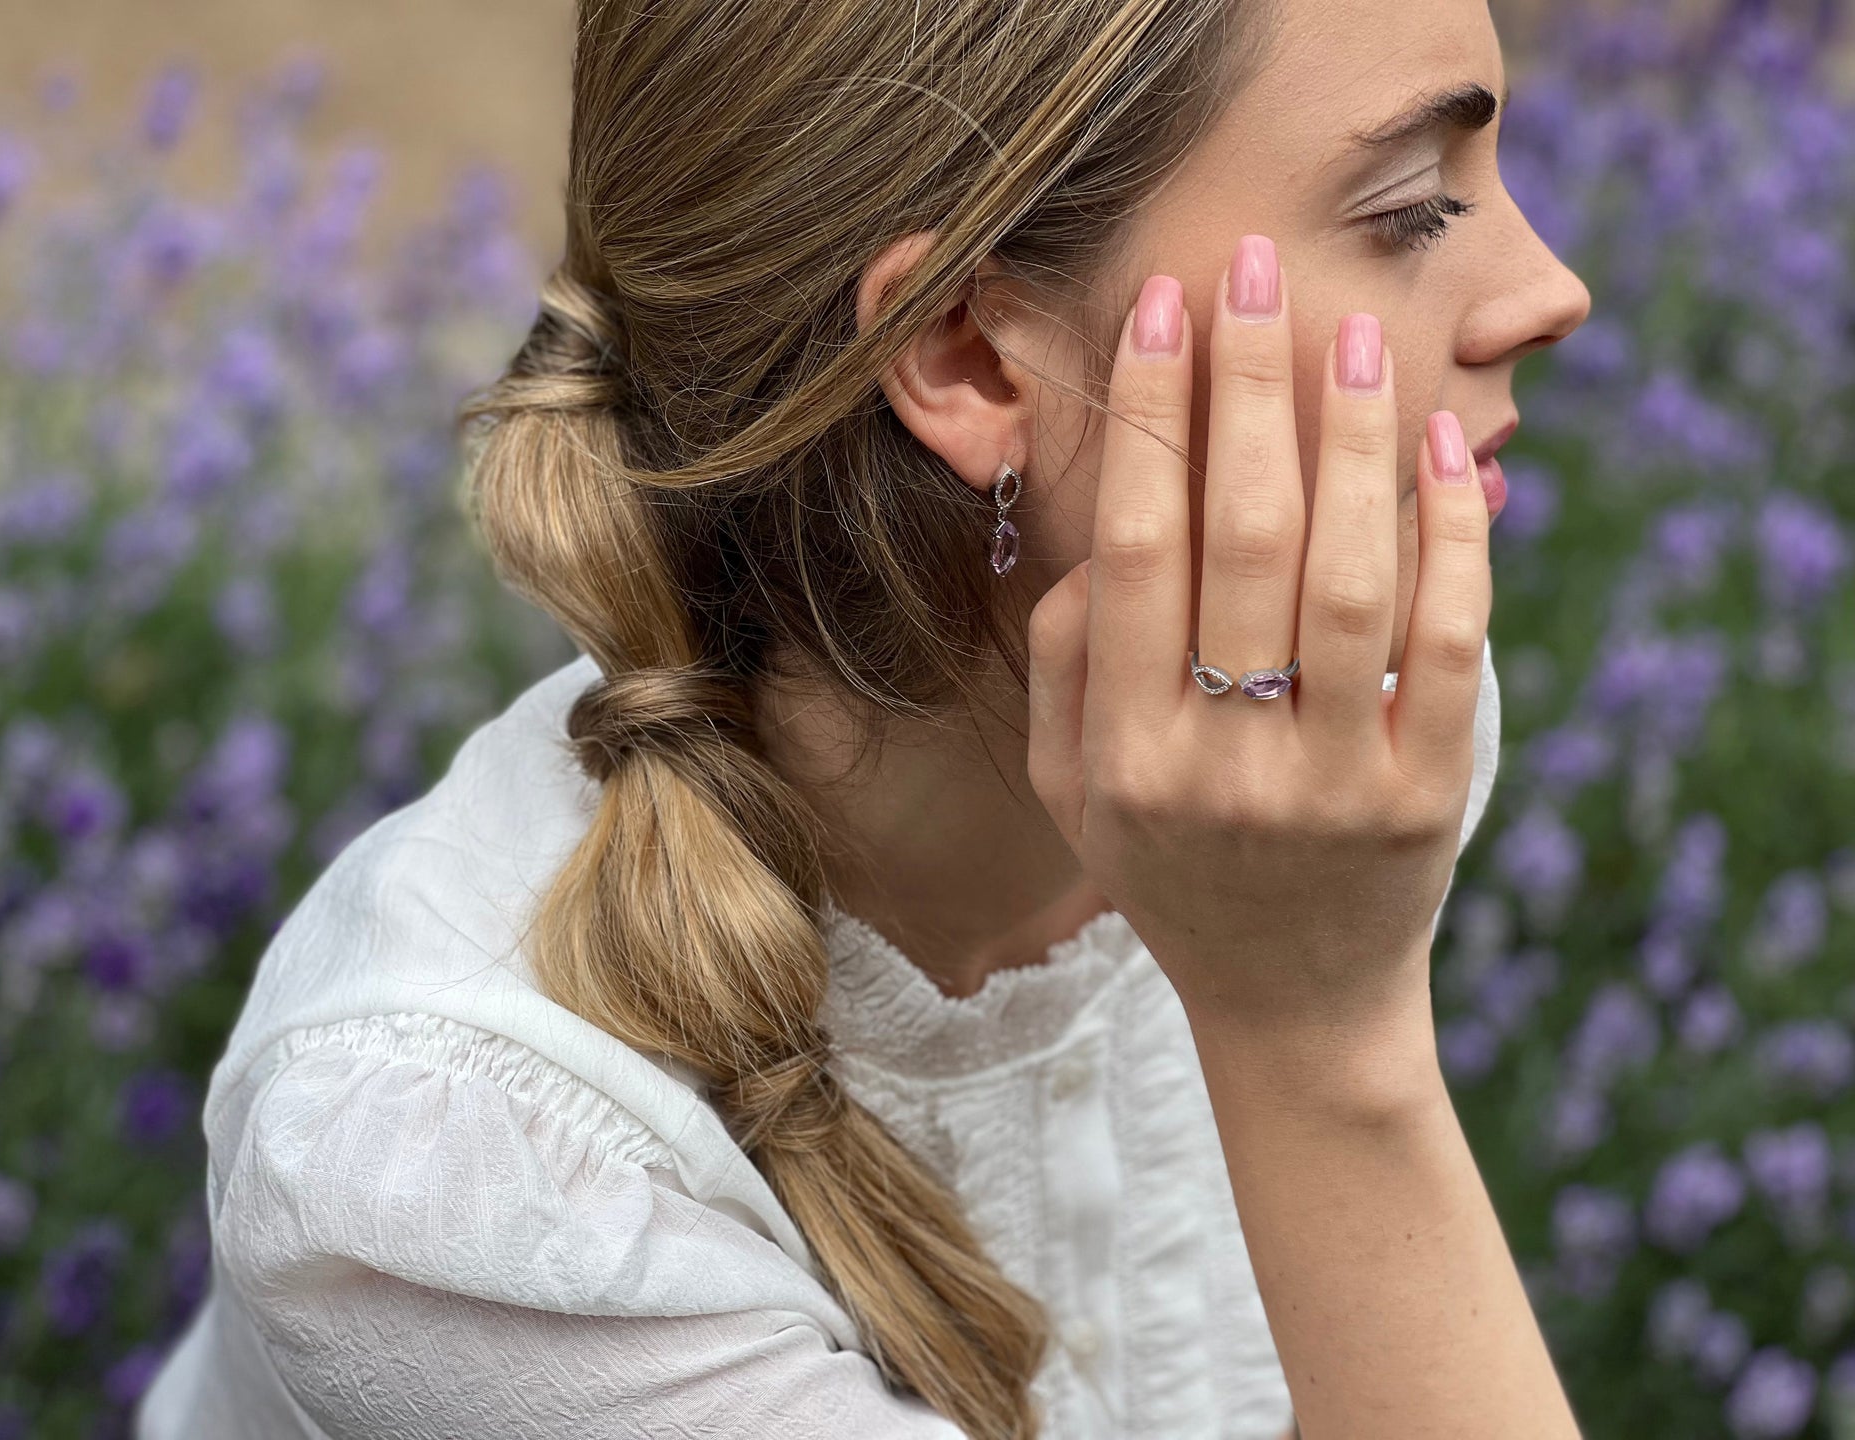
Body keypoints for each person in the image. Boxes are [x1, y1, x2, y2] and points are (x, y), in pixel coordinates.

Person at [136, 0, 1595, 1433]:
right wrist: (1318, 1038)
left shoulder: (1324, 750)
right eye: (1412, 208)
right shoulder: (459, 1179)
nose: (1552, 289)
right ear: (967, 354)